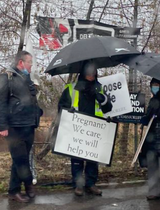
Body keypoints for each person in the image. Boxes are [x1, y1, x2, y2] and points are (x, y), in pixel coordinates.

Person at [0, 50, 42, 203]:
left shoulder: (28, 79)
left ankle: (17, 190)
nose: (31, 66)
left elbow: (29, 102)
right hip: (14, 127)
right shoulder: (6, 78)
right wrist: (3, 126)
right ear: (21, 63)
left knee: (20, 159)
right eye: (29, 63)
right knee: (20, 160)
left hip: (29, 125)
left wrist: (37, 113)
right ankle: (25, 186)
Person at [58, 62, 112, 196]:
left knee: (93, 159)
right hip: (76, 129)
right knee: (77, 159)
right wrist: (67, 111)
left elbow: (109, 108)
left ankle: (91, 184)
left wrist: (101, 98)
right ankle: (78, 185)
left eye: (93, 73)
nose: (91, 75)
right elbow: (61, 107)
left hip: (95, 131)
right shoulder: (71, 88)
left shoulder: (100, 88)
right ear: (83, 73)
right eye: (88, 73)